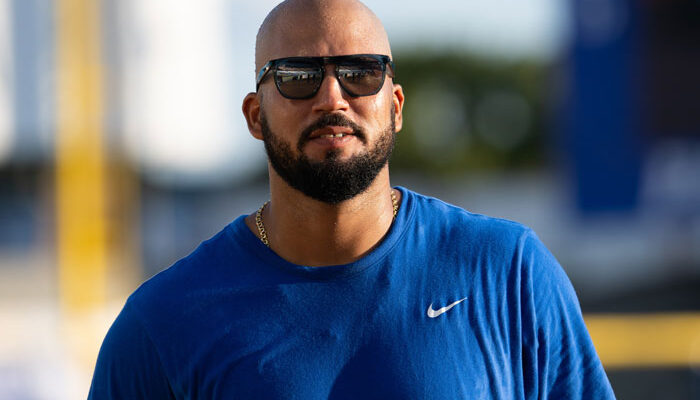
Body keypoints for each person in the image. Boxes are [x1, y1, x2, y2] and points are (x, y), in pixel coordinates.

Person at [88, 0, 616, 398]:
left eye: (361, 73)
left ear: (396, 106)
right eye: (298, 76)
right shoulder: (163, 322)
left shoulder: (508, 272)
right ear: (255, 115)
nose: (332, 97)